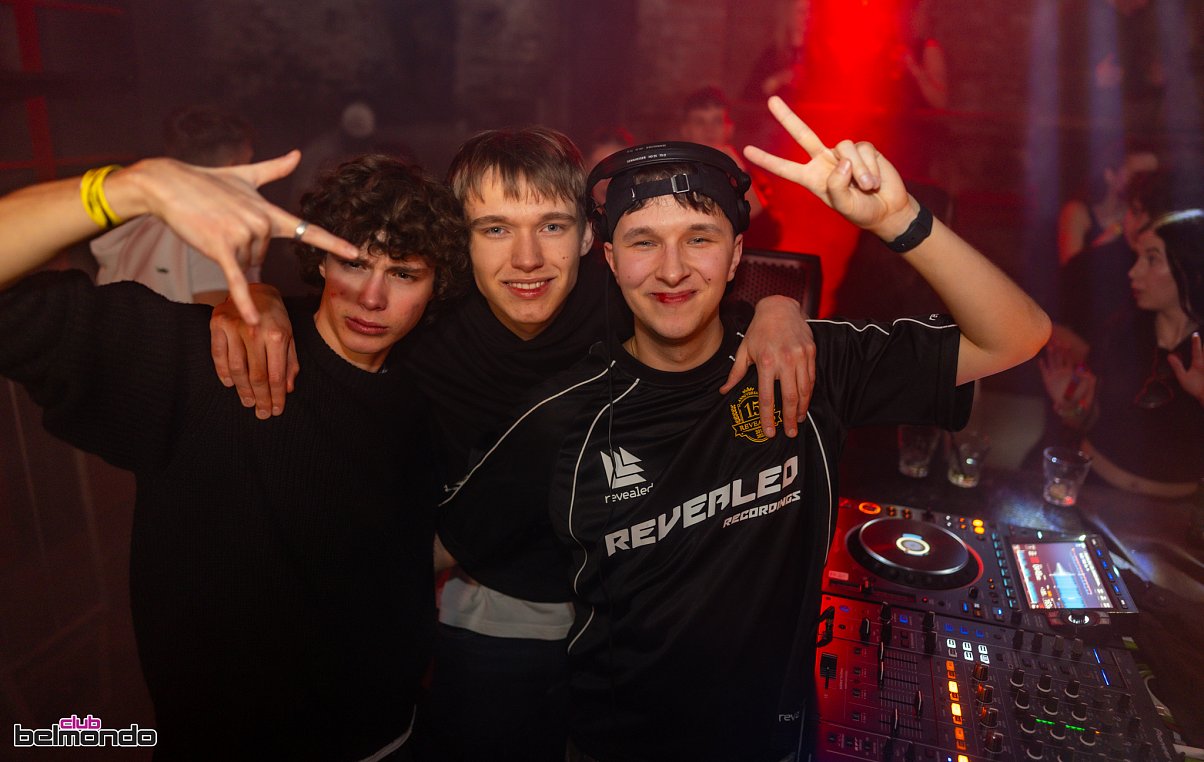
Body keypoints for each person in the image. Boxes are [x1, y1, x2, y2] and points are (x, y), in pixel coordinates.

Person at [435, 96, 1051, 761]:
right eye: (644, 242)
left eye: (699, 239)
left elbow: (1018, 337)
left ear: (736, 258)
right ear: (609, 259)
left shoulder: (811, 364)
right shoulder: (562, 416)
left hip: (773, 742)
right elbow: (444, 543)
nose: (672, 269)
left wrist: (896, 220)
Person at [209, 127, 819, 760]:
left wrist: (777, 309)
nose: (527, 259)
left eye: (551, 226)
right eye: (496, 228)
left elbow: (707, 313)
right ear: (459, 240)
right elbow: (327, 313)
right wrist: (252, 300)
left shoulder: (623, 301)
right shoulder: (427, 320)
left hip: (642, 616)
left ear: (589, 238)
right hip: (493, 614)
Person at [0, 151, 469, 759]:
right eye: (353, 262)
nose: (372, 297)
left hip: (392, 738)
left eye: (404, 273)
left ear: (437, 287)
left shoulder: (431, 387)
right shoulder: (207, 363)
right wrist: (133, 187)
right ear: (320, 259)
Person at [1040, 198, 1204, 498]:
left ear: (1190, 268)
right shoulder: (1122, 328)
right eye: (1137, 258)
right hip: (1093, 491)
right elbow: (1088, 421)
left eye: (1151, 259)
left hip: (1174, 512)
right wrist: (1070, 403)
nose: (1134, 272)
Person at [89, 105, 262, 306]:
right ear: (232, 169)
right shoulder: (213, 231)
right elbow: (221, 320)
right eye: (250, 165)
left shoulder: (139, 229)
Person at [679, 86, 778, 246]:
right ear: (686, 131)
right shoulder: (671, 177)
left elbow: (768, 236)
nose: (709, 129)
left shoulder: (754, 179)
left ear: (729, 129)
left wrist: (738, 173)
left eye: (717, 121)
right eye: (699, 122)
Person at [1056, 145, 1158, 265]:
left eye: (1152, 176)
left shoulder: (1146, 216)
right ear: (1110, 175)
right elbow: (1071, 267)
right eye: (1138, 175)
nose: (1145, 182)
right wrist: (1115, 232)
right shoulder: (1077, 211)